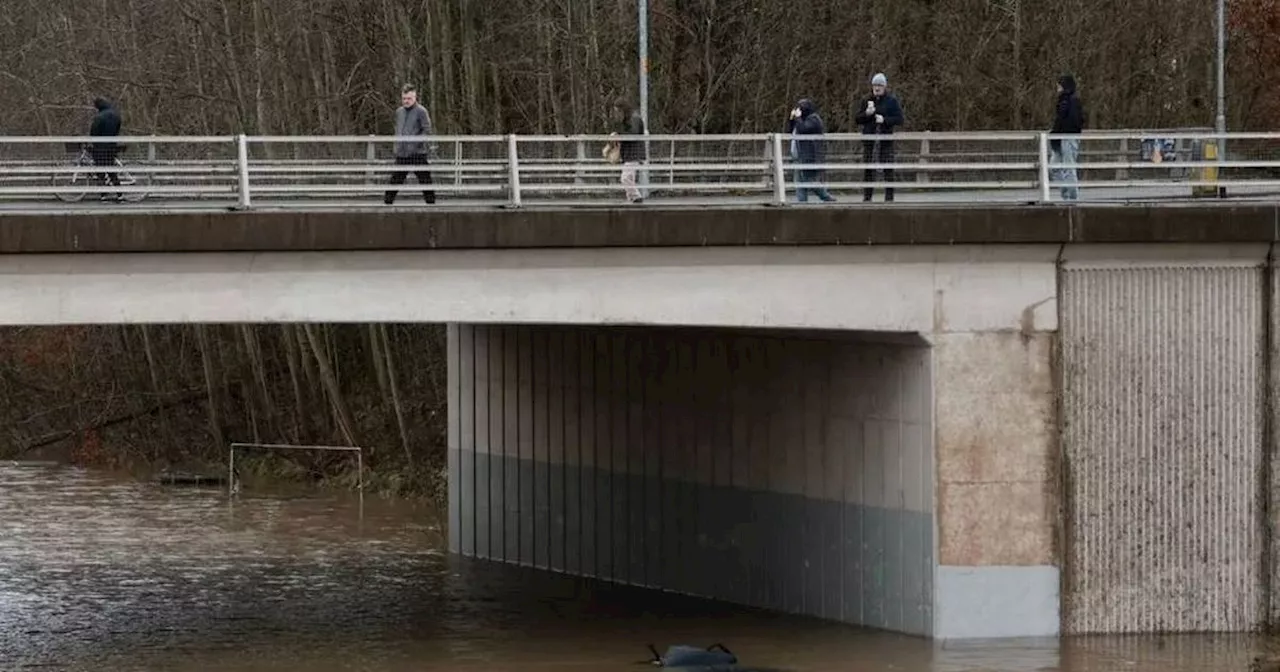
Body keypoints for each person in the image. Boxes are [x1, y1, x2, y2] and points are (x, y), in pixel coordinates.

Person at [853, 73, 904, 202]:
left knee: (888, 169)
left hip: (885, 141)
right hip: (870, 141)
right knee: (869, 170)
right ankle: (867, 197)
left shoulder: (891, 101)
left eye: (880, 85)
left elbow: (900, 119)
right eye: (875, 85)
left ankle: (889, 198)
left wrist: (884, 120)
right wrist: (867, 114)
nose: (877, 88)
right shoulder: (866, 100)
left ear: (884, 87)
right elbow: (857, 119)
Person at [384, 84, 436, 205]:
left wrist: (415, 143)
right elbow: (398, 129)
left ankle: (431, 205)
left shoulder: (421, 111)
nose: (406, 101)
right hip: (402, 153)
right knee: (395, 180)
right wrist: (396, 146)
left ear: (415, 97)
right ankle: (387, 204)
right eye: (404, 98)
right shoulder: (399, 112)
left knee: (425, 180)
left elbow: (427, 130)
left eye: (409, 98)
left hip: (417, 153)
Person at [787, 98, 835, 202]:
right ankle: (802, 202)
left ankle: (825, 196)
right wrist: (792, 119)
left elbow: (803, 129)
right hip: (798, 155)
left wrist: (798, 118)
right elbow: (791, 130)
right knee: (800, 182)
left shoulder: (814, 119)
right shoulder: (801, 120)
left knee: (807, 180)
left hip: (809, 155)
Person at [1050, 74, 1085, 202]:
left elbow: (1073, 121)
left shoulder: (1072, 100)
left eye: (1059, 85)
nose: (1057, 88)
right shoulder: (1063, 100)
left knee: (1069, 167)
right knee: (1054, 167)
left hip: (1068, 137)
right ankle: (1066, 194)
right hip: (1060, 137)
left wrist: (1063, 132)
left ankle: (1072, 197)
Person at [611, 97, 647, 203]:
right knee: (629, 178)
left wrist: (619, 136)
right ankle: (631, 198)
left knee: (625, 178)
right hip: (630, 153)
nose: (617, 113)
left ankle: (636, 197)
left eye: (618, 111)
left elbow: (633, 134)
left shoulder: (634, 118)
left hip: (633, 153)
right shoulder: (629, 119)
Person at [89, 97, 122, 202]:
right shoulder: (116, 115)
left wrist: (94, 142)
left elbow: (94, 132)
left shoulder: (99, 117)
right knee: (111, 170)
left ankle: (103, 195)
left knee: (101, 172)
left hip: (100, 147)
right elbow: (117, 129)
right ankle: (119, 194)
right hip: (111, 146)